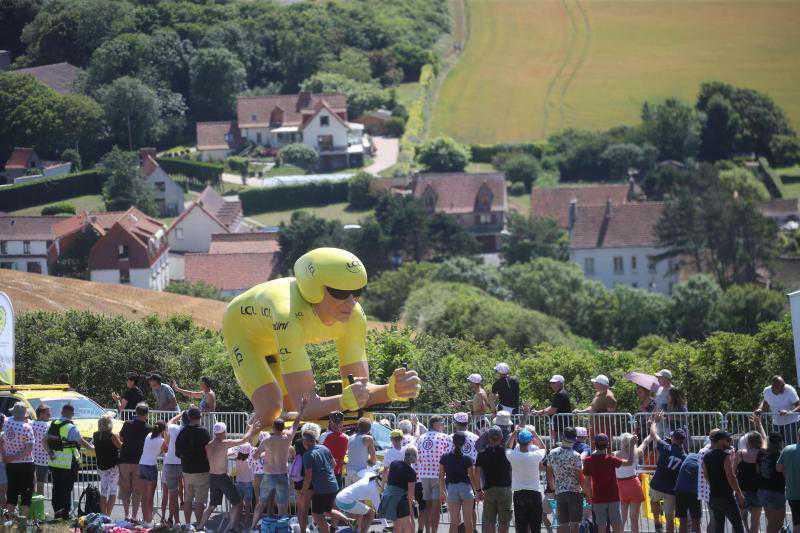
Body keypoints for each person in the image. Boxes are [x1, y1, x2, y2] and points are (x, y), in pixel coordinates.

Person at [221, 248, 421, 427]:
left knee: (291, 413)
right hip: (244, 333)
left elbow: (358, 391)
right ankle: (246, 451)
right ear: (313, 289)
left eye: (357, 292)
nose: (351, 302)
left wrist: (391, 391)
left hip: (274, 333)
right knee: (271, 408)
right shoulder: (288, 315)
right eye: (339, 293)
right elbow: (305, 407)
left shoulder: (355, 316)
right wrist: (343, 400)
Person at [251, 401, 305, 528]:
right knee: (282, 505)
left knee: (261, 503)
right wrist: (302, 408)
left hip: (269, 474)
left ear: (273, 428)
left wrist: (265, 455)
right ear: (282, 428)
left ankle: (252, 527)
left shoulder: (266, 440)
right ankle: (282, 529)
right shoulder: (287, 439)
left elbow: (255, 456)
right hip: (282, 473)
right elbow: (296, 423)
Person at [199, 421, 261, 532]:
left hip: (212, 477)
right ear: (223, 432)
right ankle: (230, 528)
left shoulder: (208, 445)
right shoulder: (225, 443)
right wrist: (251, 429)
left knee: (211, 505)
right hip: (222, 477)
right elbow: (244, 440)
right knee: (238, 503)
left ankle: (199, 527)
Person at [300, 422, 350, 533]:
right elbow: (333, 464)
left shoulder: (307, 455)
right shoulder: (324, 448)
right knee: (326, 511)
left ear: (306, 441)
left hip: (322, 488)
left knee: (318, 514)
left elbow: (308, 477)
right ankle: (348, 519)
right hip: (332, 484)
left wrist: (303, 491)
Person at [45, 403, 93, 520]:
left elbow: (44, 440)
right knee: (67, 489)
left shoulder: (53, 424)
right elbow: (81, 441)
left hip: (55, 462)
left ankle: (57, 512)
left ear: (62, 412)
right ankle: (65, 514)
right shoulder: (71, 427)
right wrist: (92, 448)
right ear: (72, 414)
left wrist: (50, 452)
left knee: (56, 488)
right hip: (67, 463)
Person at [642, 414, 686, 533]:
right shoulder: (684, 457)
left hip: (657, 483)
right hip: (671, 488)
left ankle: (657, 523)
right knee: (670, 517)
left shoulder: (666, 447)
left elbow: (653, 435)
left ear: (674, 439)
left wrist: (654, 422)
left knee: (654, 501)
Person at [582, 433, 634, 533]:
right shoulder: (611, 459)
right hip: (613, 497)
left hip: (597, 498)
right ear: (607, 445)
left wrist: (589, 496)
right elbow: (629, 462)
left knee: (601, 525)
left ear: (594, 444)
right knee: (616, 524)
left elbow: (587, 482)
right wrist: (631, 446)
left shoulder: (588, 461)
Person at [175, 406, 211, 526]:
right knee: (200, 500)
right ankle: (199, 524)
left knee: (188, 499)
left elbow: (177, 452)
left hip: (187, 470)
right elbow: (209, 450)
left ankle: (188, 524)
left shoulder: (182, 432)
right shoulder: (204, 432)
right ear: (200, 417)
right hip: (201, 469)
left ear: (188, 418)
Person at [703, 430, 745, 533]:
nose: (730, 442)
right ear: (720, 441)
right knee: (738, 524)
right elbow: (731, 476)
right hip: (726, 497)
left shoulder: (706, 456)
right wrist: (739, 494)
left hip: (714, 496)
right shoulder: (725, 457)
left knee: (719, 526)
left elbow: (706, 475)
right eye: (728, 440)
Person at [506, 428, 546, 533]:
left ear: (518, 441)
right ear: (530, 441)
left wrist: (514, 434)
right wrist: (536, 434)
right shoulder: (536, 455)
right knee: (535, 525)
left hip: (519, 493)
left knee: (521, 526)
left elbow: (507, 447)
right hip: (534, 492)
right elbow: (543, 447)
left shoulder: (513, 455)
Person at [416, 415, 451, 533]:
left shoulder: (420, 438)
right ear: (435, 424)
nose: (444, 425)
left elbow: (417, 457)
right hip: (438, 475)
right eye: (442, 423)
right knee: (436, 508)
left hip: (423, 476)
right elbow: (448, 457)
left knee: (427, 506)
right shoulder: (445, 437)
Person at [117, 402, 151, 521]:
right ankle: (135, 516)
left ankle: (126, 514)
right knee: (137, 491)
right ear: (146, 414)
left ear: (136, 412)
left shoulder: (127, 424)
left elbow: (120, 438)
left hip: (125, 460)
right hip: (139, 462)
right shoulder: (149, 428)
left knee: (125, 488)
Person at [439, 433, 479, 533]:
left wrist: (442, 491)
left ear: (453, 442)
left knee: (454, 522)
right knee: (468, 521)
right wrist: (476, 492)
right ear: (464, 443)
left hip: (451, 489)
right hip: (466, 488)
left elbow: (441, 476)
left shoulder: (445, 457)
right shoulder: (467, 458)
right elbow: (472, 476)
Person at [546, 427, 583, 533]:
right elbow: (580, 475)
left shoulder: (552, 453)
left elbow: (549, 471)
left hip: (560, 492)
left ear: (563, 437)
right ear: (575, 439)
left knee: (562, 524)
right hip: (574, 492)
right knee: (575, 524)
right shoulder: (576, 456)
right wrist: (586, 490)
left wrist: (553, 488)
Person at [477, 426, 512, 533]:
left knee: (489, 521)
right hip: (505, 489)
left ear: (488, 438)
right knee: (504, 521)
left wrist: (478, 490)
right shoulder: (507, 453)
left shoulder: (482, 454)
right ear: (501, 437)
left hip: (488, 489)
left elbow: (476, 473)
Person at [4, 403, 35, 517]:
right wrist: (15, 457)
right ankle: (23, 521)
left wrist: (9, 457)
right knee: (26, 493)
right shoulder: (26, 428)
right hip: (25, 464)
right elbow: (28, 448)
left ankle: (9, 520)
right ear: (24, 414)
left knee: (11, 492)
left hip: (10, 464)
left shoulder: (6, 425)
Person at [379, 446, 418, 533]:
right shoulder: (412, 473)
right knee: (408, 526)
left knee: (397, 527)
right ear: (414, 457)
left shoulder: (394, 463)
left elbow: (389, 478)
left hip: (388, 497)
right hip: (399, 500)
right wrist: (411, 511)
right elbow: (410, 496)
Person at [735, 421, 765, 533]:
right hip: (758, 490)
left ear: (748, 441)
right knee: (755, 522)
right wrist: (760, 424)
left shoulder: (740, 454)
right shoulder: (762, 453)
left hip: (742, 490)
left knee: (738, 521)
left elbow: (733, 472)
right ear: (760, 441)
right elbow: (765, 439)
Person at [756, 375, 800, 447]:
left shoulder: (790, 390)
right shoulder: (767, 391)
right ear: (773, 386)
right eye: (781, 386)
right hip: (776, 423)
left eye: (784, 385)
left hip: (792, 423)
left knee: (790, 445)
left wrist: (789, 412)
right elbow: (765, 403)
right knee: (776, 446)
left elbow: (799, 405)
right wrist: (760, 409)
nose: (784, 388)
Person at [335, 468, 382, 533]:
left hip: (339, 498)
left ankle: (356, 529)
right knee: (371, 513)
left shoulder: (369, 475)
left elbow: (360, 472)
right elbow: (380, 511)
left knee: (361, 513)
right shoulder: (374, 491)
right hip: (347, 502)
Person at [137, 421, 165, 525]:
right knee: (150, 496)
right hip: (151, 467)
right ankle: (149, 520)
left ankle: (145, 519)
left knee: (144, 496)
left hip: (142, 465)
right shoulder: (162, 440)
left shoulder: (148, 435)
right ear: (162, 430)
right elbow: (163, 451)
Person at [161, 411, 186, 526]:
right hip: (184, 464)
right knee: (186, 493)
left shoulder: (172, 427)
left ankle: (176, 521)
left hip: (170, 463)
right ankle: (180, 521)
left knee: (172, 494)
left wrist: (180, 413)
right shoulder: (188, 430)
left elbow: (169, 421)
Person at [757, 432, 786, 533]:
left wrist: (759, 424)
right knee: (777, 524)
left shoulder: (761, 453)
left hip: (762, 491)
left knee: (771, 522)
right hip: (776, 492)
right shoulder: (781, 455)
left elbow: (765, 439)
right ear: (780, 443)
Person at [93, 414, 121, 516]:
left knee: (103, 491)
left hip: (102, 466)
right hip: (113, 466)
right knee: (113, 491)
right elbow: (120, 446)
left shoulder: (95, 435)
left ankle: (103, 514)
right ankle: (108, 515)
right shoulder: (112, 436)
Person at [615, 433, 644, 533]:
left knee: (623, 518)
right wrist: (653, 426)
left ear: (622, 442)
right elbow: (646, 441)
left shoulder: (615, 455)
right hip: (632, 485)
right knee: (633, 518)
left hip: (622, 486)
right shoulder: (636, 452)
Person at [674, 447, 703, 533]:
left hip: (680, 489)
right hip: (693, 491)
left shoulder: (690, 456)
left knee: (683, 521)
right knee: (696, 521)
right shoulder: (705, 459)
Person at [776, 429, 800, 532]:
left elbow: (778, 468)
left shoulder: (787, 449)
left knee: (797, 523)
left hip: (793, 493)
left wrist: (788, 473)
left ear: (798, 436)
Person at [320, 411, 348, 488]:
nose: (337, 424)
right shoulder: (346, 437)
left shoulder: (324, 436)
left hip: (325, 472)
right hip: (337, 471)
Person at [346, 417, 377, 486]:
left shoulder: (350, 437)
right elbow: (373, 459)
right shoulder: (368, 438)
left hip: (349, 471)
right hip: (360, 473)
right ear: (369, 429)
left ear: (358, 427)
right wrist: (369, 461)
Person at [232, 443, 254, 526]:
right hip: (248, 484)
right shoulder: (250, 460)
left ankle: (237, 521)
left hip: (238, 483)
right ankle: (246, 521)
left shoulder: (237, 459)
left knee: (239, 505)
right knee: (248, 505)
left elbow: (233, 450)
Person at [30, 404, 51, 495]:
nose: (50, 416)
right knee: (40, 484)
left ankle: (31, 503)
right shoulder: (47, 425)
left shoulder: (30, 424)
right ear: (41, 414)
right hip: (43, 459)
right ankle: (39, 504)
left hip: (30, 458)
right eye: (48, 414)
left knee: (31, 483)